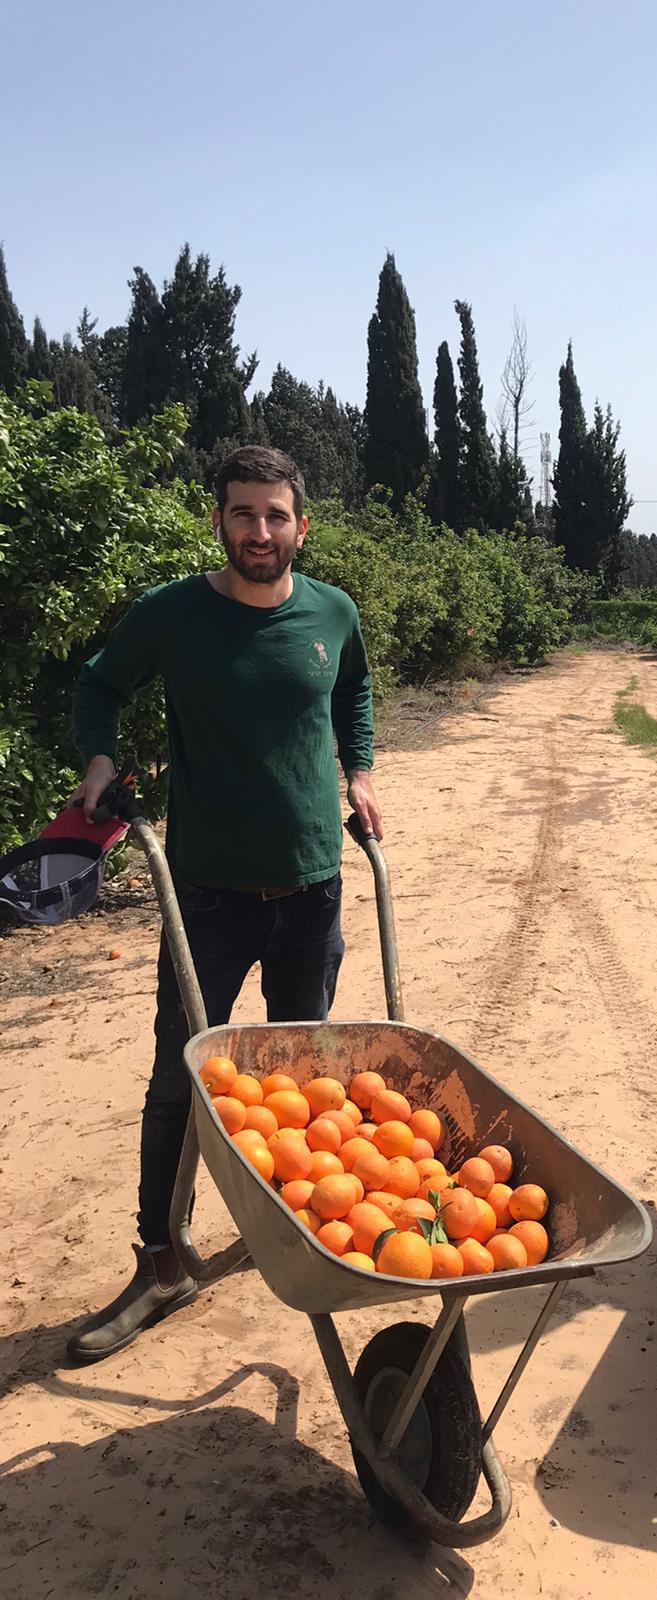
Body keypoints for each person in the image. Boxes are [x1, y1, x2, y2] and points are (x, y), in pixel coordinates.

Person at [66, 445, 382, 1360]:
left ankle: (294, 1222)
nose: (260, 532)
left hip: (312, 886)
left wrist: (358, 768)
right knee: (182, 1078)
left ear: (300, 525)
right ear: (220, 521)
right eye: (243, 514)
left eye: (276, 516)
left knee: (300, 1075)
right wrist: (99, 757)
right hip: (206, 893)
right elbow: (98, 681)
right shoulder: (172, 614)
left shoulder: (333, 611)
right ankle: (162, 1263)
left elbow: (354, 689)